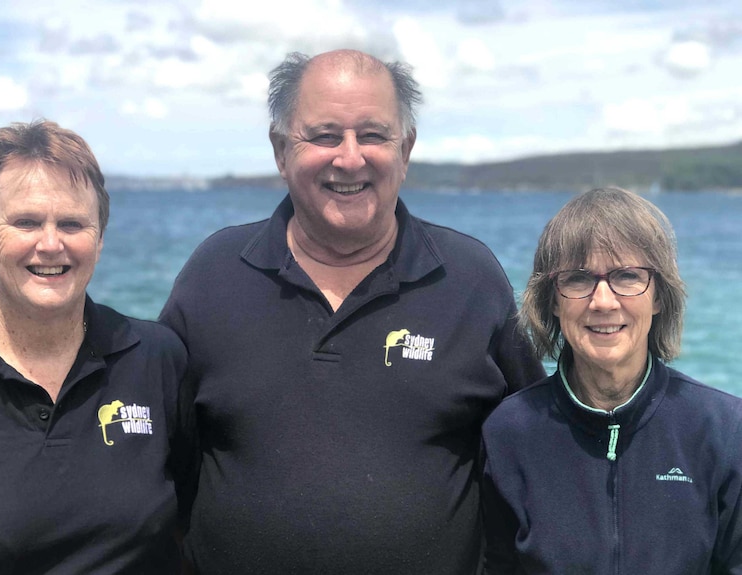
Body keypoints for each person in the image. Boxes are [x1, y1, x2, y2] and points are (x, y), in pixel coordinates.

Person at [159, 49, 545, 574]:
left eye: (372, 135)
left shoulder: (470, 278)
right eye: (323, 135)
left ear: (405, 149)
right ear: (280, 150)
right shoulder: (213, 275)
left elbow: (535, 455)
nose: (349, 158)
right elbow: (160, 460)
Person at [0, 119, 191, 574]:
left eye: (72, 223)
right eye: (26, 222)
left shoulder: (156, 358)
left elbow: (192, 526)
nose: (50, 243)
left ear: (100, 239)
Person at [481, 186, 742, 574]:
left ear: (658, 297)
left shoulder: (723, 428)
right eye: (578, 279)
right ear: (552, 300)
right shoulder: (509, 433)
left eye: (627, 276)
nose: (603, 301)